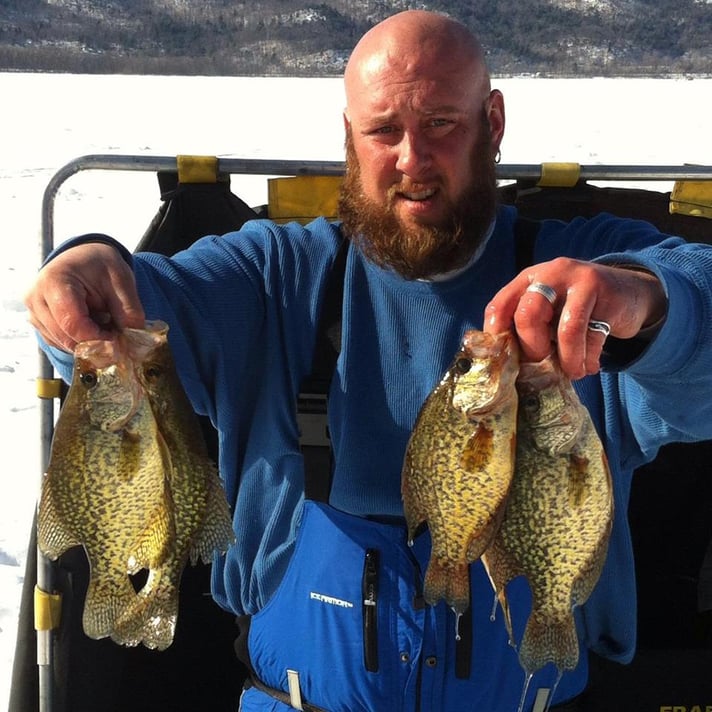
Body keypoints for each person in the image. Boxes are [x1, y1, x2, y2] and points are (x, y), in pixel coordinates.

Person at [24, 9, 712, 712]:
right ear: (349, 136)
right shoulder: (275, 277)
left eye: (441, 123)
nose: (411, 159)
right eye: (383, 130)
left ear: (493, 122)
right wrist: (83, 273)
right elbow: (137, 309)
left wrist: (649, 301)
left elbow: (699, 300)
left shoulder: (580, 268)